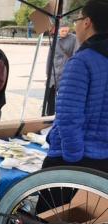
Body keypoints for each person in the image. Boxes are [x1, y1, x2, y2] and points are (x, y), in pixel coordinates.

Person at [43, 0, 108, 173]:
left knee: (55, 201)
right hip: (103, 157)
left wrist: (72, 156)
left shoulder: (82, 61)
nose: (76, 26)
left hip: (75, 158)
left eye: (77, 20)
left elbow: (68, 115)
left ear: (87, 22)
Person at [44, 23, 78, 115]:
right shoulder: (54, 39)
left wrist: (72, 70)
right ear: (58, 30)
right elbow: (49, 57)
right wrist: (48, 72)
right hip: (53, 71)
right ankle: (49, 114)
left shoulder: (73, 39)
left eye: (66, 31)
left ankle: (61, 114)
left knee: (63, 96)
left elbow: (75, 54)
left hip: (65, 72)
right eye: (62, 31)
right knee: (49, 96)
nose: (64, 33)